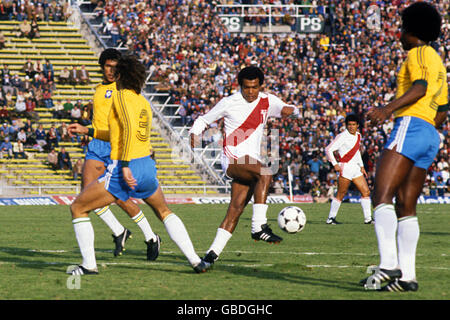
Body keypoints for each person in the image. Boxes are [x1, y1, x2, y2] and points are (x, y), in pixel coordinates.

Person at [67, 54, 210, 275]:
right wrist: (89, 131)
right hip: (146, 166)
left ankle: (89, 266)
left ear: (121, 74)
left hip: (127, 166)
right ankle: (195, 260)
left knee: (78, 207)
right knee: (164, 211)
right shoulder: (142, 101)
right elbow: (117, 132)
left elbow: (126, 132)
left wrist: (123, 165)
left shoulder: (121, 97)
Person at [362, 2, 448, 292]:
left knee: (381, 196)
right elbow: (444, 108)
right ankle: (408, 277)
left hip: (411, 126)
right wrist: (427, 128)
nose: (399, 33)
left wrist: (387, 110)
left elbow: (420, 88)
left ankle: (388, 264)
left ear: (413, 30)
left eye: (402, 28)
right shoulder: (439, 61)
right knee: (406, 206)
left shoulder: (419, 53)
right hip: (429, 133)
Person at [189, 65, 300, 266]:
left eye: (255, 87)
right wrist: (194, 134)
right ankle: (258, 226)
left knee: (236, 209)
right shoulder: (229, 102)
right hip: (233, 159)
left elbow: (286, 109)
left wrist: (293, 111)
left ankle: (209, 257)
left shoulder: (268, 100)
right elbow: (203, 119)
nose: (250, 92)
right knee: (266, 173)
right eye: (247, 87)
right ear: (240, 85)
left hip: (250, 163)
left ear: (260, 86)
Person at [68, 48, 159, 260]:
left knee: (118, 197)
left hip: (116, 145)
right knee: (85, 195)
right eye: (107, 66)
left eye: (114, 67)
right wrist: (85, 129)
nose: (111, 70)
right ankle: (119, 231)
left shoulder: (124, 91)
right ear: (102, 67)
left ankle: (150, 236)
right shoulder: (99, 89)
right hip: (96, 145)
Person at [324, 114, 373, 224]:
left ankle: (368, 219)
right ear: (346, 125)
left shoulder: (358, 136)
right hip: (345, 167)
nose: (351, 127)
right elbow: (328, 149)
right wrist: (335, 164)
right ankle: (330, 218)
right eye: (349, 125)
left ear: (357, 126)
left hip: (355, 168)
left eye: (353, 125)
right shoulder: (342, 136)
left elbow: (357, 152)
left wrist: (361, 166)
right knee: (341, 194)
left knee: (366, 192)